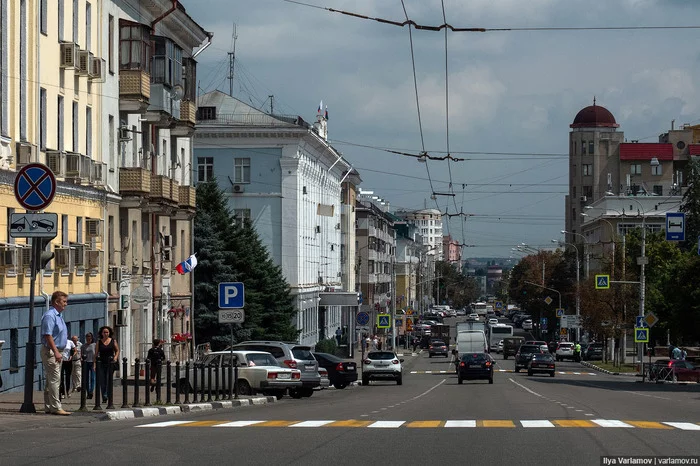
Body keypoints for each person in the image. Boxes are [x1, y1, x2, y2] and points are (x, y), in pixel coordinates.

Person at [40, 291, 71, 415]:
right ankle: (56, 407)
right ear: (57, 302)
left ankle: (49, 406)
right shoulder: (50, 315)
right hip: (51, 352)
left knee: (50, 380)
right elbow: (48, 335)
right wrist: (56, 352)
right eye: (64, 301)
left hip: (57, 351)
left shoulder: (58, 315)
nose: (66, 304)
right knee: (55, 379)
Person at [95, 326, 120, 404]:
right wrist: (94, 364)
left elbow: (117, 350)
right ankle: (104, 396)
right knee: (102, 380)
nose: (105, 334)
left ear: (109, 333)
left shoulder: (113, 341)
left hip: (110, 363)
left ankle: (109, 395)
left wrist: (115, 357)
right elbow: (96, 354)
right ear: (101, 333)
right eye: (104, 332)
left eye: (107, 332)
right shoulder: (99, 342)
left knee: (109, 379)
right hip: (102, 363)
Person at [60, 335, 76, 399]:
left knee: (68, 376)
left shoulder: (70, 342)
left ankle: (68, 391)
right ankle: (62, 392)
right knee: (61, 377)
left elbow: (75, 350)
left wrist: (72, 356)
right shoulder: (59, 342)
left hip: (68, 361)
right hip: (61, 360)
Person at [82, 332, 96, 399]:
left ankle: (91, 391)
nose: (88, 338)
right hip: (86, 363)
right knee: (86, 378)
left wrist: (95, 363)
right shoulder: (83, 346)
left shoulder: (94, 345)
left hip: (92, 362)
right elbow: (82, 355)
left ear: (92, 337)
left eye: (89, 336)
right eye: (87, 336)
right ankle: (88, 392)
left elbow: (96, 354)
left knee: (92, 378)